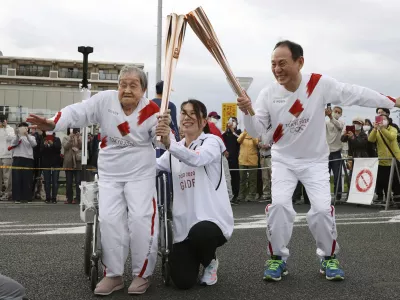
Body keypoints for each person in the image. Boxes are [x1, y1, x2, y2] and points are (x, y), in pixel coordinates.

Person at [236, 40, 399, 282]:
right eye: (273, 64)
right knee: (279, 207)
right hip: (284, 161)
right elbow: (259, 131)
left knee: (322, 210)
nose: (277, 69)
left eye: (282, 63)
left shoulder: (318, 85)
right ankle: (277, 258)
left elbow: (354, 93)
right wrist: (246, 111)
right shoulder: (268, 93)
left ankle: (328, 257)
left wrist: (391, 101)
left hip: (315, 162)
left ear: (299, 62)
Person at [27, 65, 162, 296]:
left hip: (140, 170)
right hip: (111, 170)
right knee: (109, 219)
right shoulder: (104, 101)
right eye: (122, 84)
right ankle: (114, 274)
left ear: (144, 89)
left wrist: (164, 135)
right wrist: (53, 122)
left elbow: (160, 142)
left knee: (141, 217)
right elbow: (77, 111)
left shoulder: (152, 111)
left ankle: (142, 274)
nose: (127, 90)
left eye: (133, 85)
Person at [155, 99, 234, 290]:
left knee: (202, 233)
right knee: (183, 282)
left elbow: (198, 159)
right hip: (183, 227)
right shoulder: (175, 148)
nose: (187, 117)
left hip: (211, 222)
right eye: (183, 113)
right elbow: (153, 166)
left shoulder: (212, 142)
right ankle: (195, 256)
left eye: (193, 113)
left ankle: (209, 261)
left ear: (204, 121)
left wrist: (170, 144)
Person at [368, 114, 400, 203]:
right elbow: (371, 139)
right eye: (380, 119)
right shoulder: (377, 131)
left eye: (384, 119)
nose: (382, 121)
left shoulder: (393, 129)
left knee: (395, 180)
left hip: (394, 159)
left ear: (388, 121)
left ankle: (397, 199)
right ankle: (388, 198)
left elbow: (391, 137)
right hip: (383, 160)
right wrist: (374, 129)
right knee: (384, 180)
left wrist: (382, 128)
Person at [10, 123, 37, 204]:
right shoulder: (16, 137)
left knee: (27, 179)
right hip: (17, 158)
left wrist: (27, 136)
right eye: (22, 128)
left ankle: (27, 197)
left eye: (26, 127)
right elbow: (13, 144)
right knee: (17, 179)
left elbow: (34, 144)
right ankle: (17, 198)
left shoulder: (31, 137)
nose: (24, 129)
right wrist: (18, 135)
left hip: (28, 159)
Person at [326, 106, 345, 201]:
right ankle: (324, 196)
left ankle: (338, 195)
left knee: (337, 175)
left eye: (339, 112)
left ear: (341, 114)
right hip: (326, 153)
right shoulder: (326, 123)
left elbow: (339, 126)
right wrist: (325, 115)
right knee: (325, 176)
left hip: (337, 152)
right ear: (332, 111)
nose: (337, 113)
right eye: (335, 111)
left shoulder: (341, 122)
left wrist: (331, 117)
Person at [222, 117, 242, 203]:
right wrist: (227, 129)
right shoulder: (225, 134)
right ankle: (227, 195)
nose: (232, 122)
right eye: (230, 121)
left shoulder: (239, 132)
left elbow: (239, 140)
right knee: (227, 178)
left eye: (233, 121)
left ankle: (236, 195)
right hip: (226, 159)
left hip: (236, 158)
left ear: (237, 123)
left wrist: (232, 129)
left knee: (235, 177)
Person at [237, 130, 259, 202]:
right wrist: (245, 132)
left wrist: (252, 134)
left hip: (252, 160)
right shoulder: (243, 134)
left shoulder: (255, 134)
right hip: (242, 160)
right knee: (242, 179)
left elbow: (256, 143)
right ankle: (241, 195)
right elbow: (238, 140)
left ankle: (251, 195)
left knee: (252, 179)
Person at [41, 131, 62, 203]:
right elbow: (40, 151)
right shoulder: (44, 140)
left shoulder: (57, 139)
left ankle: (54, 198)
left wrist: (52, 144)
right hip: (46, 164)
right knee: (47, 182)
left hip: (55, 163)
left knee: (55, 182)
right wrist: (45, 145)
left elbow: (58, 148)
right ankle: (47, 197)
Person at [62, 128, 82, 204]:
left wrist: (78, 138)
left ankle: (78, 198)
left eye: (75, 131)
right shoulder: (65, 138)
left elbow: (82, 146)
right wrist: (70, 139)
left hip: (78, 162)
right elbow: (65, 147)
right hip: (68, 162)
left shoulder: (80, 137)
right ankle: (69, 198)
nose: (74, 132)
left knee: (78, 182)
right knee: (69, 182)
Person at [0, 116, 15, 201]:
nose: (2, 122)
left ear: (6, 121)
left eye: (3, 121)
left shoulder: (10, 129)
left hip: (7, 155)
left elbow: (11, 138)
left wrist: (5, 128)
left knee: (7, 176)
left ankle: (8, 193)